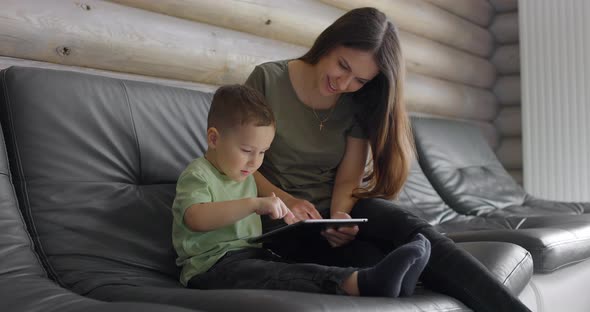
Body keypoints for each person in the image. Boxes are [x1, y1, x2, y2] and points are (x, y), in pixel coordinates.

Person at [244, 7, 531, 312]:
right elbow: (237, 167)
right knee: (374, 259)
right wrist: (287, 201)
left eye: (360, 80)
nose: (343, 84)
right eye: (343, 66)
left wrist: (341, 217)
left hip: (330, 214)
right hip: (276, 217)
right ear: (330, 42)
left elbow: (347, 178)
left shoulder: (356, 102)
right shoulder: (268, 80)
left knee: (412, 230)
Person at [171, 84, 431, 298]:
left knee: (296, 269)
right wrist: (253, 204)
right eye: (247, 151)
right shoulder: (198, 175)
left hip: (254, 255)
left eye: (262, 153)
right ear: (214, 139)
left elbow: (276, 198)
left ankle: (394, 280)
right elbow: (196, 218)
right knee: (282, 276)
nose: (254, 162)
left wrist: (292, 211)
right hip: (210, 269)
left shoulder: (245, 172)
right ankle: (366, 283)